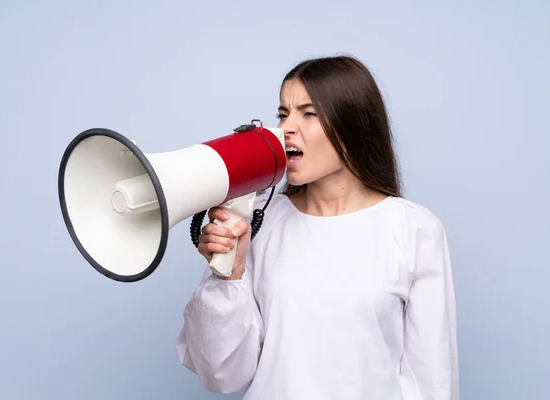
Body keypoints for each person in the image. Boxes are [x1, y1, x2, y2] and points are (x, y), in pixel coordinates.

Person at [176, 55, 459, 400]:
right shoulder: (258, 223)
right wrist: (228, 275)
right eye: (283, 114)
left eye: (308, 114)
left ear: (353, 124)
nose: (285, 128)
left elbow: (432, 380)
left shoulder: (415, 229)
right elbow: (221, 374)